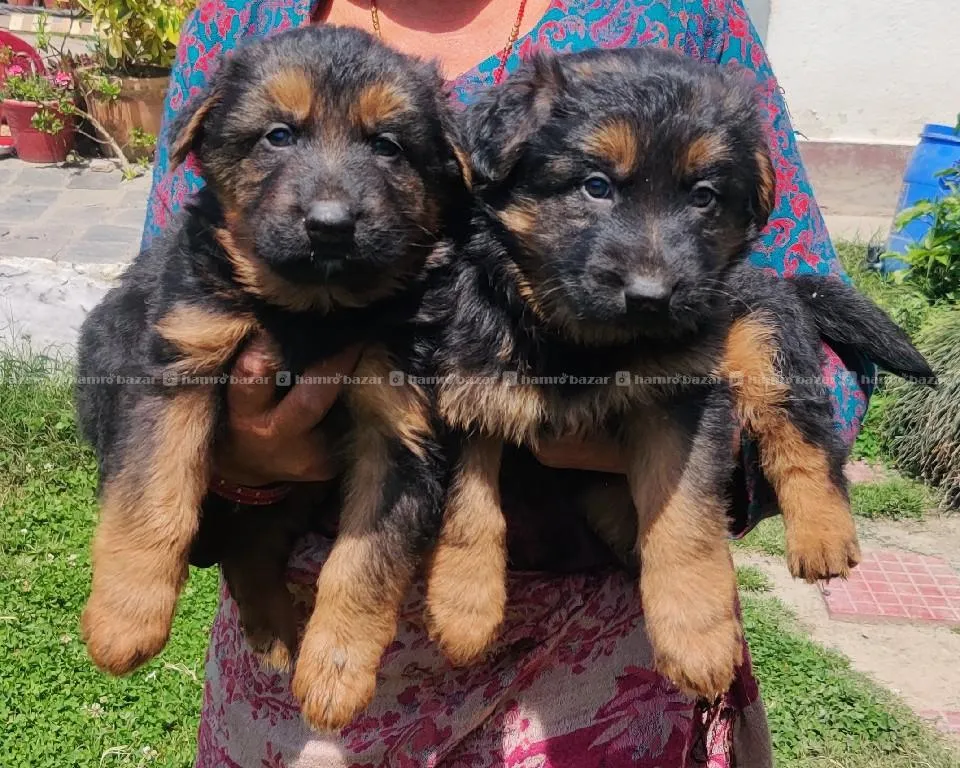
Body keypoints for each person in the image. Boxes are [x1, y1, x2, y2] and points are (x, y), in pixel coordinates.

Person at [140, 1, 874, 765]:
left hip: (615, 654)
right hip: (309, 644)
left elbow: (793, 308)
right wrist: (238, 464)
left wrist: (726, 469)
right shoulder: (238, 19)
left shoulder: (690, 15)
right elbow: (166, 298)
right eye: (597, 186)